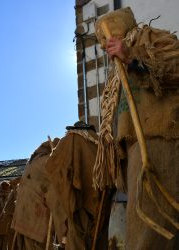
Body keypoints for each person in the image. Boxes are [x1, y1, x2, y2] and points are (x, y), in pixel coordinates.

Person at [97, 7, 179, 250]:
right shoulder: (115, 70)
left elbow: (175, 66)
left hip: (160, 141)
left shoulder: (149, 38)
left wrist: (132, 57)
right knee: (140, 231)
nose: (103, 46)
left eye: (106, 39)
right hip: (136, 151)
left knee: (155, 229)